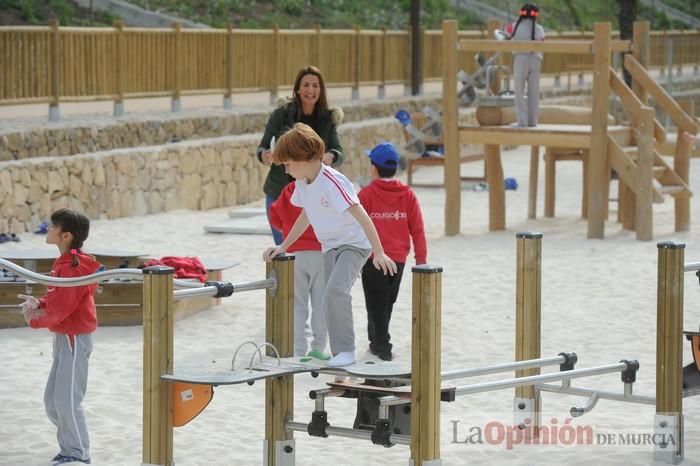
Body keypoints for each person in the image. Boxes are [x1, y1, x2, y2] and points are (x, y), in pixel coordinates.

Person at [263, 123, 397, 368]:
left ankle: (345, 351)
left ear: (302, 159)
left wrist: (378, 251)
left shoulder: (333, 182)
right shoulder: (303, 184)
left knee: (336, 292)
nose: (286, 169)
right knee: (327, 298)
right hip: (329, 247)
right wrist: (284, 247)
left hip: (354, 245)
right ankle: (340, 353)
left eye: (287, 164)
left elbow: (361, 214)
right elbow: (305, 216)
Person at [18, 208, 101, 466]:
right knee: (53, 403)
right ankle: (70, 447)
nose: (47, 229)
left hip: (74, 336)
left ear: (65, 235)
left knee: (67, 401)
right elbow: (62, 297)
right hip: (65, 336)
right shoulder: (66, 262)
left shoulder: (73, 266)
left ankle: (77, 454)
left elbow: (65, 308)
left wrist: (34, 321)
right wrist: (40, 302)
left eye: (52, 226)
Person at [257, 65, 345, 245]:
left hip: (315, 194)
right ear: (297, 88)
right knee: (283, 251)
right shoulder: (281, 114)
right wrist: (265, 155)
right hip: (280, 191)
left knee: (310, 249)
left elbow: (338, 150)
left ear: (321, 90)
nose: (310, 90)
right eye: (306, 85)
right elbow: (263, 146)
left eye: (315, 85)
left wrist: (331, 156)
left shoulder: (328, 118)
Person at [358, 143, 427, 361]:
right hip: (398, 259)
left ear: (374, 167)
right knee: (385, 301)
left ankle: (383, 346)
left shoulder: (366, 194)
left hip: (373, 258)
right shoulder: (408, 194)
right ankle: (375, 341)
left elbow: (355, 227)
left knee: (375, 301)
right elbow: (418, 228)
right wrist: (421, 259)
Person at [269, 182, 329, 360]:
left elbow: (274, 216)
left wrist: (286, 229)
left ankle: (298, 349)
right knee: (320, 304)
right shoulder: (323, 186)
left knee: (297, 304)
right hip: (321, 252)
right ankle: (318, 347)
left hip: (295, 252)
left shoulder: (289, 189)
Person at [506, 3, 545, 127]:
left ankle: (522, 122)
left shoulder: (514, 27)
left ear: (521, 13)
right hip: (536, 59)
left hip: (520, 58)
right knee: (534, 91)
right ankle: (532, 121)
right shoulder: (539, 29)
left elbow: (504, 34)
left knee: (519, 91)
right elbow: (542, 40)